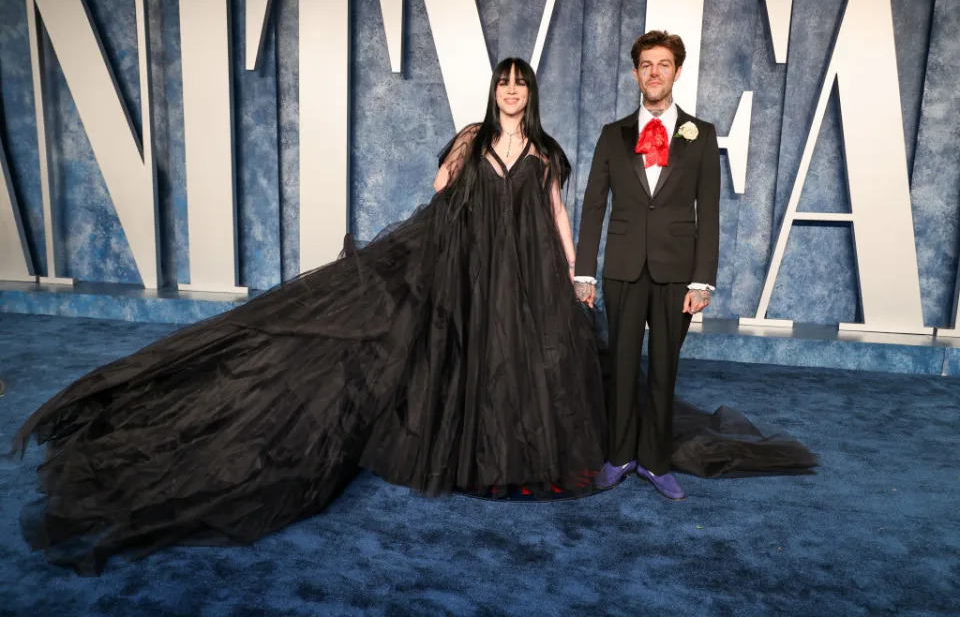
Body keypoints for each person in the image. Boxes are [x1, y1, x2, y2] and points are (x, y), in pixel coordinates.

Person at [11, 58, 607, 574]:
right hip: (473, 273)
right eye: (503, 82)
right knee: (471, 358)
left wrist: (576, 272)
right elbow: (440, 186)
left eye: (518, 83)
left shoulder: (545, 151)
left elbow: (555, 214)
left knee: (518, 364)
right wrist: (461, 150)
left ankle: (512, 456)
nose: (510, 91)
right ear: (494, 91)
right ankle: (473, 454)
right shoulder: (474, 138)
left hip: (526, 276)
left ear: (530, 92)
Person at [574, 30, 720, 501]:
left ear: (677, 71)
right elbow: (594, 205)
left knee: (664, 367)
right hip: (621, 267)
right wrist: (584, 271)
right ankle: (619, 456)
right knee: (620, 365)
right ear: (636, 73)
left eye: (663, 64)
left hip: (678, 271)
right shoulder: (613, 134)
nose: (654, 72)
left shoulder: (700, 134)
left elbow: (709, 212)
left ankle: (656, 461)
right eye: (645, 65)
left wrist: (704, 281)